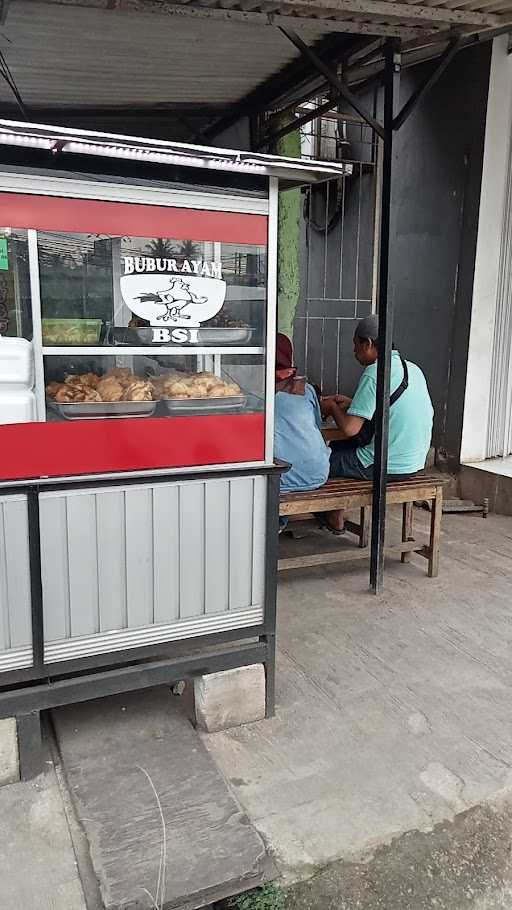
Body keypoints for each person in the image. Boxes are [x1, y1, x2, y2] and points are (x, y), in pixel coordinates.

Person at [321, 314, 433, 532]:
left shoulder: (374, 373)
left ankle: (333, 516)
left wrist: (332, 407)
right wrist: (354, 404)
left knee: (321, 462)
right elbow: (390, 407)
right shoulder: (412, 369)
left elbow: (350, 429)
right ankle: (336, 515)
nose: (354, 352)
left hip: (385, 465)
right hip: (415, 462)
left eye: (356, 346)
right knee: (339, 448)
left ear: (369, 344)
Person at [274, 333, 330, 500]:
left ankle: (279, 522)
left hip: (279, 479)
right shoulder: (307, 390)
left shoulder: (257, 394)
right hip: (317, 474)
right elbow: (318, 428)